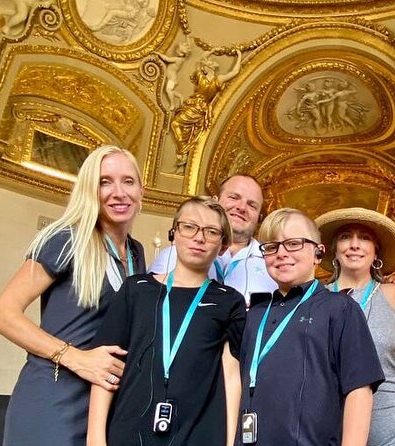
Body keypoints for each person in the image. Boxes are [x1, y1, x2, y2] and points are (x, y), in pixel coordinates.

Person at [0, 145, 146, 446]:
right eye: (104, 181)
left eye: (128, 181)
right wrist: (76, 358)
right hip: (52, 397)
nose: (118, 192)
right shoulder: (66, 238)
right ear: (90, 188)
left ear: (141, 190)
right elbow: (3, 314)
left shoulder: (136, 252)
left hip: (101, 405)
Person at [87, 196, 246, 446]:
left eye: (212, 232)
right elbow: (107, 364)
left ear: (223, 245)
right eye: (189, 227)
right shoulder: (135, 289)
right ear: (174, 234)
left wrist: (230, 443)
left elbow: (231, 376)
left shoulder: (229, 301)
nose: (199, 237)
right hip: (129, 431)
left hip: (198, 434)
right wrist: (95, 439)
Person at [236, 208, 385, 445]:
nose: (282, 253)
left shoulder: (341, 309)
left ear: (318, 253)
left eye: (293, 244)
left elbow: (359, 390)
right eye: (272, 247)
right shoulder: (254, 314)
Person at [315, 207, 395, 446]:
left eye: (364, 238)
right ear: (334, 250)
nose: (355, 245)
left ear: (376, 251)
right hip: (337, 432)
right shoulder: (316, 299)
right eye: (346, 237)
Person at [150, 175, 276, 303]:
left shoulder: (273, 265)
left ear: (260, 217)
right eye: (233, 197)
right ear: (215, 201)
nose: (242, 208)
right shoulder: (172, 255)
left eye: (252, 205)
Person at [171, 48, 242, 174]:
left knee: (175, 124)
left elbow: (235, 72)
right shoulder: (201, 76)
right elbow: (200, 60)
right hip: (193, 106)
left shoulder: (218, 80)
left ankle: (183, 151)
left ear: (209, 68)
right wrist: (212, 50)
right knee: (182, 128)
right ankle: (183, 153)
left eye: (205, 66)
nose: (202, 68)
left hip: (200, 108)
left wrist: (239, 55)